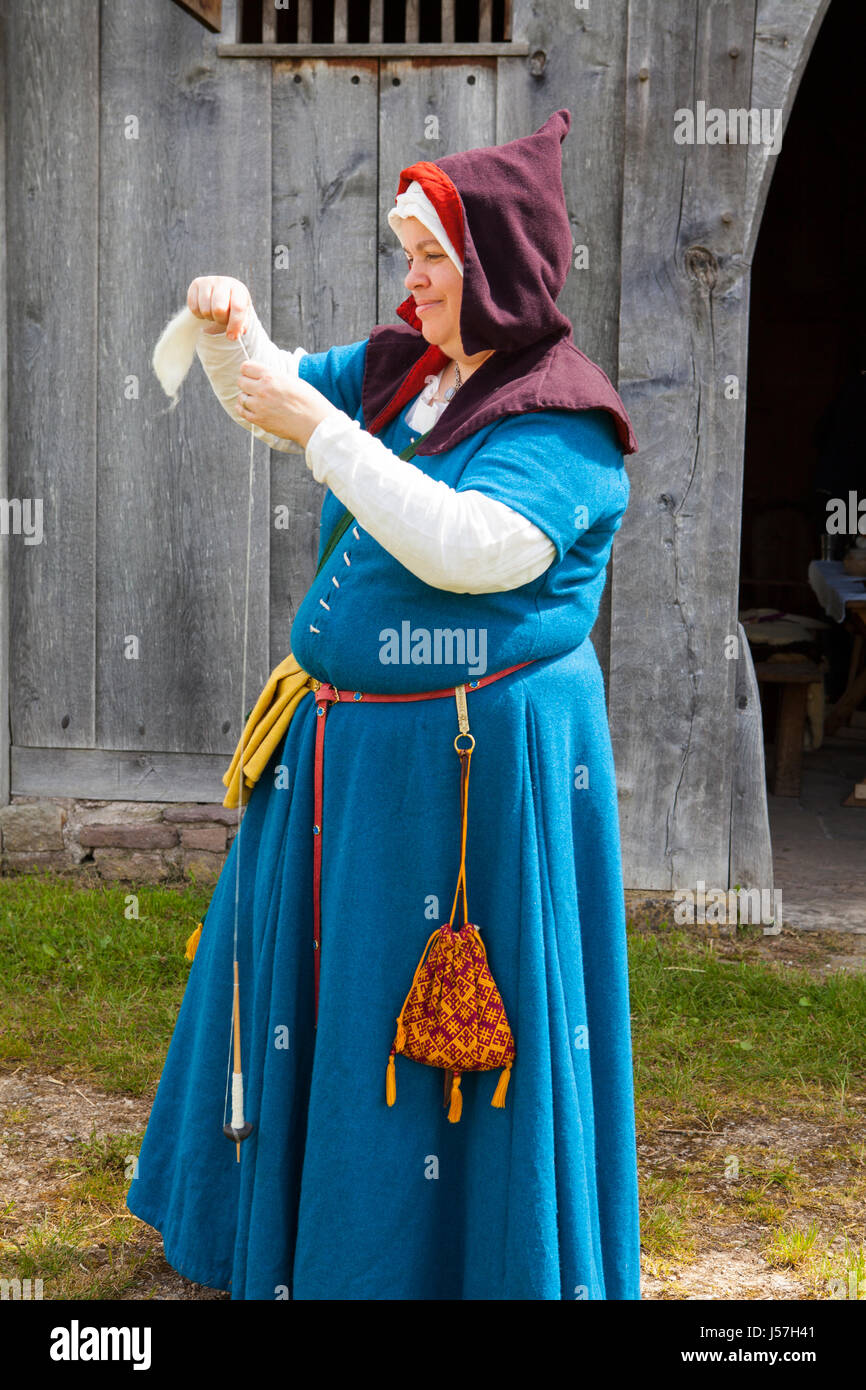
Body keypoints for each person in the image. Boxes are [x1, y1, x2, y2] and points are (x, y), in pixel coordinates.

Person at [127, 108, 641, 1300]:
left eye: (428, 261)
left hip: (466, 783)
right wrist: (229, 326)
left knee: (433, 1041)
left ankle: (442, 1265)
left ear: (494, 275)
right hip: (341, 761)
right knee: (318, 1012)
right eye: (403, 256)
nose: (408, 282)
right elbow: (269, 395)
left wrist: (324, 437)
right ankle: (296, 1244)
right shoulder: (405, 370)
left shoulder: (564, 425)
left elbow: (468, 547)